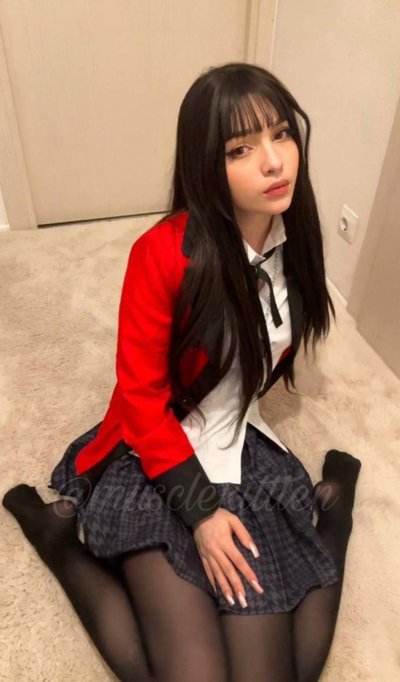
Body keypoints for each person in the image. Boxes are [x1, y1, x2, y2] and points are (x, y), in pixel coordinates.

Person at [3, 62, 362, 682]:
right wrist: (201, 513)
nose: (273, 161)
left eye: (281, 134)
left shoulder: (296, 240)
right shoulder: (162, 254)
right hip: (157, 455)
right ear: (205, 164)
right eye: (240, 149)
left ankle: (336, 513)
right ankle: (61, 546)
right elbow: (141, 398)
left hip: (240, 450)